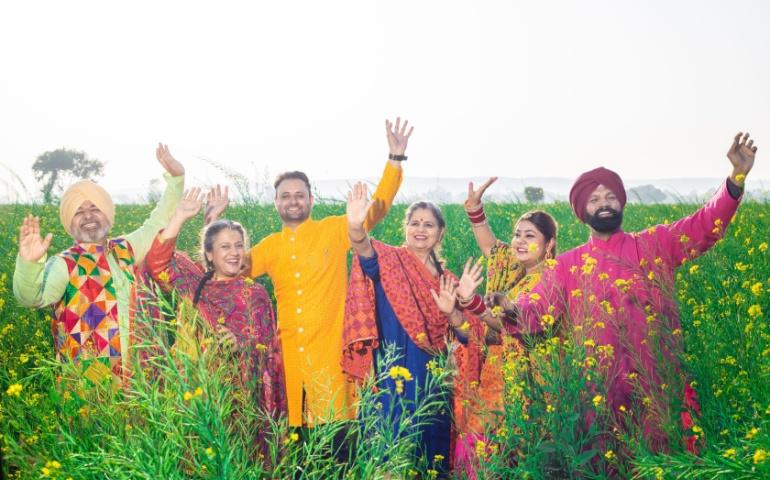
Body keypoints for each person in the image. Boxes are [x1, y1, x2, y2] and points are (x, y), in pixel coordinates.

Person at [484, 132, 758, 453]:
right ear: (582, 211)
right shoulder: (566, 266)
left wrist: (735, 179)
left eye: (610, 197)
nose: (604, 204)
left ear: (621, 202)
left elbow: (703, 224)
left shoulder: (655, 244)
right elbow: (535, 311)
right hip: (600, 393)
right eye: (595, 199)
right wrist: (509, 306)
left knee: (671, 460)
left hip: (661, 383)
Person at [227, 118, 412, 429]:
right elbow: (229, 271)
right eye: (285, 196)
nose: (293, 201)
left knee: (338, 448)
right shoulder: (269, 247)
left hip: (331, 362)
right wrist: (214, 222)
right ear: (276, 204)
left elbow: (376, 209)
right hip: (289, 364)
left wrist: (394, 160)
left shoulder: (334, 231)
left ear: (311, 200)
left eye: (299, 195)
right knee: (296, 452)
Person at [13, 144, 185, 388]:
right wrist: (29, 264)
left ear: (108, 214)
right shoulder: (65, 264)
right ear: (68, 222)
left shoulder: (125, 248)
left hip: (141, 382)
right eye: (78, 212)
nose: (88, 216)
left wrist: (177, 180)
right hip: (91, 389)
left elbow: (158, 222)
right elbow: (32, 297)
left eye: (95, 208)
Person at [342, 184, 485, 475]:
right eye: (415, 223)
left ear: (440, 233)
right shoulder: (389, 261)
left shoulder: (450, 281)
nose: (421, 230)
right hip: (389, 371)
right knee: (387, 448)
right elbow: (363, 247)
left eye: (429, 225)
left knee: (429, 452)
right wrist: (356, 225)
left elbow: (470, 338)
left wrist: (455, 311)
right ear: (405, 227)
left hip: (431, 378)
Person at [144, 186, 286, 456]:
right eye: (224, 247)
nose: (234, 253)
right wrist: (180, 217)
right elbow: (157, 265)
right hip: (199, 396)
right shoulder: (196, 286)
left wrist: (241, 343)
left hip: (242, 401)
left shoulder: (253, 293)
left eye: (238, 245)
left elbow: (269, 348)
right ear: (209, 254)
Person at [454, 177, 558, 477]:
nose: (520, 241)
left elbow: (508, 324)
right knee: (482, 447)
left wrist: (473, 305)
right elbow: (491, 247)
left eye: (530, 235)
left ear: (549, 243)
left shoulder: (551, 279)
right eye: (516, 235)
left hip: (527, 378)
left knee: (517, 451)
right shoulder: (513, 266)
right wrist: (475, 210)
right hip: (494, 373)